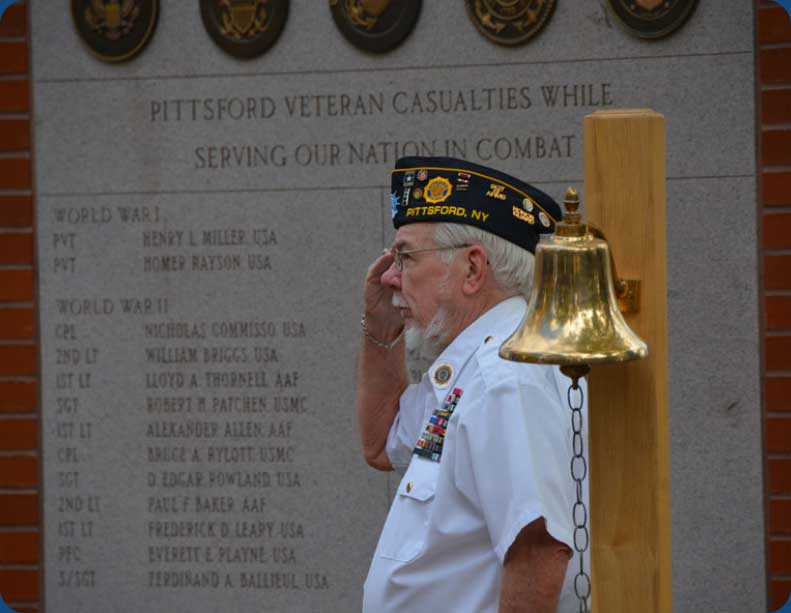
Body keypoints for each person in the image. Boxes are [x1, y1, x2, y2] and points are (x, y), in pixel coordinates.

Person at [357, 156, 586, 613]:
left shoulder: (504, 378)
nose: (390, 276)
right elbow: (381, 444)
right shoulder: (476, 366)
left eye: (405, 256)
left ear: (473, 270)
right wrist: (380, 327)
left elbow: (540, 551)